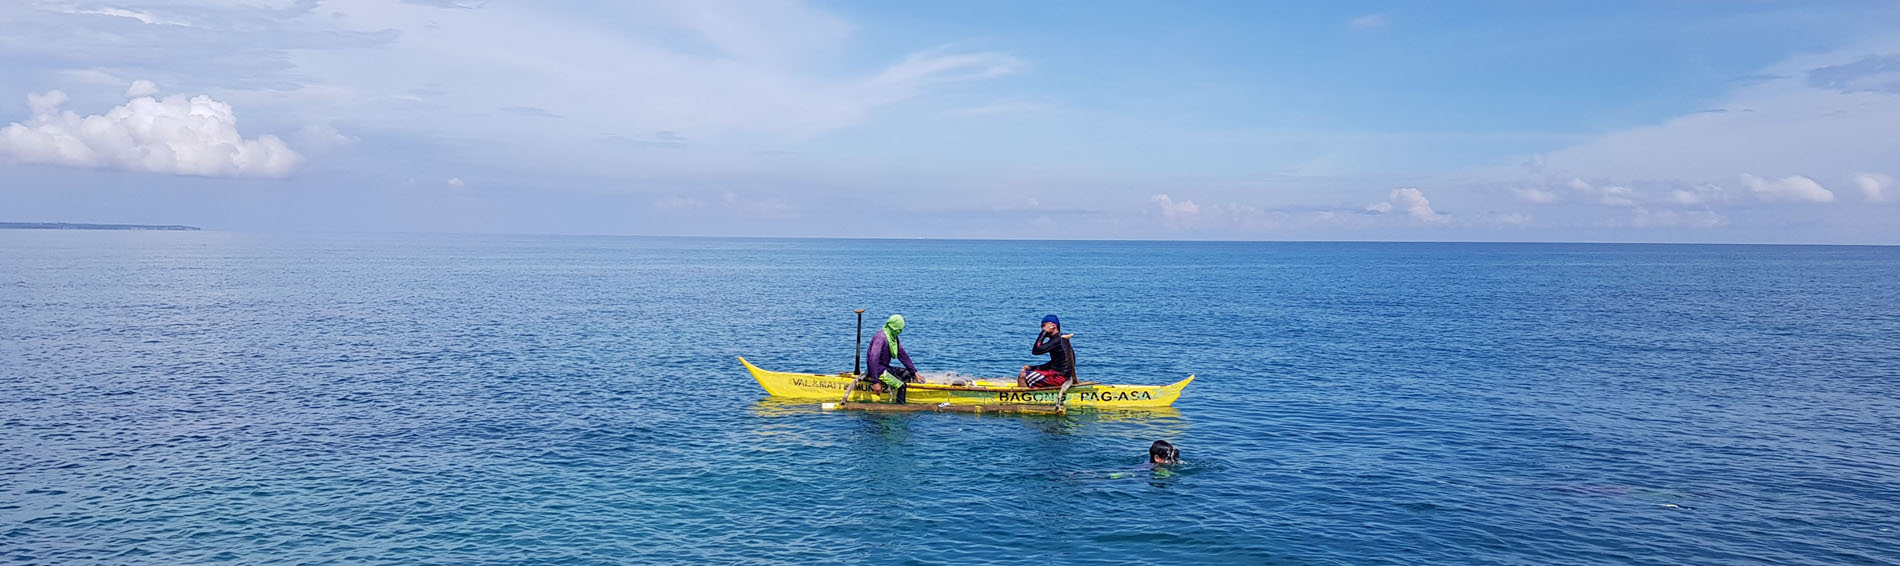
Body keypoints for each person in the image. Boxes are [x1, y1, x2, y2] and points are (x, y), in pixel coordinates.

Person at [863, 314, 918, 403]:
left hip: (885, 368)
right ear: (893, 327)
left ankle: (912, 392)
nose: (900, 332)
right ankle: (900, 409)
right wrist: (876, 382)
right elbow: (872, 360)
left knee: (907, 373)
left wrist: (914, 372)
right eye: (898, 330)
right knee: (901, 386)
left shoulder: (893, 337)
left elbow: (902, 355)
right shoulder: (880, 338)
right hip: (878, 371)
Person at [1017, 314, 1074, 388]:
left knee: (1022, 376)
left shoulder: (1058, 340)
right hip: (1059, 375)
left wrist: (1043, 333)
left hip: (1059, 377)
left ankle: (1024, 397)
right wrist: (1033, 368)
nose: (1042, 329)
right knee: (1029, 373)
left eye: (1044, 326)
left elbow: (1036, 350)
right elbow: (1055, 363)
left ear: (1053, 325)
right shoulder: (1059, 338)